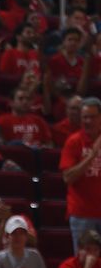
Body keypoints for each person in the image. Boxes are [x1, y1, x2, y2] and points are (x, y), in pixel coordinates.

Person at [60, 97, 101, 251]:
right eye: (85, 117)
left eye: (93, 117)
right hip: (83, 214)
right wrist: (92, 155)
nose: (88, 121)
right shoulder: (74, 142)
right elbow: (68, 178)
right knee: (84, 262)